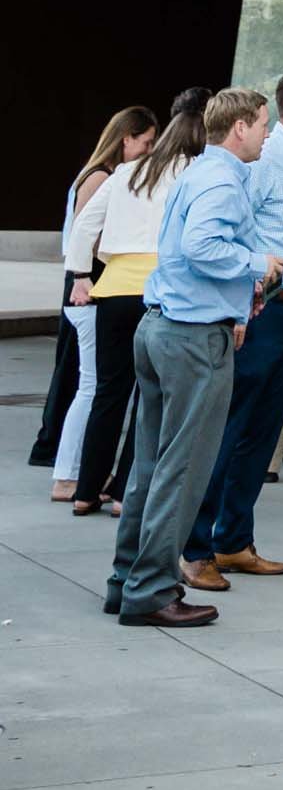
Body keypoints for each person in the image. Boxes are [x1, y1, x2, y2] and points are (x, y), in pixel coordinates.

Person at [105, 87, 279, 630]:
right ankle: (152, 590)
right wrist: (259, 263)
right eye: (262, 124)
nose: (267, 134)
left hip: (162, 327)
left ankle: (127, 582)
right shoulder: (223, 180)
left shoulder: (199, 172)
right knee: (182, 470)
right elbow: (204, 247)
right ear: (240, 128)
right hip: (192, 338)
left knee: (150, 467)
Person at [180, 64, 283, 588]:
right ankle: (196, 547)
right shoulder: (264, 160)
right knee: (231, 429)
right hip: (262, 309)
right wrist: (245, 305)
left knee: (262, 433)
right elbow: (234, 235)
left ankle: (234, 542)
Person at [62, 101, 179, 516]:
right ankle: (121, 493)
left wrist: (80, 274)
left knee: (108, 394)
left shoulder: (122, 175)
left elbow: (84, 226)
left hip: (112, 289)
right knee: (148, 395)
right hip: (157, 291)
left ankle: (85, 491)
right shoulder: (182, 174)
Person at [47, 108, 157, 505]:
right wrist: (83, 276)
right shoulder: (104, 178)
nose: (148, 152)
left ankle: (81, 481)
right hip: (94, 288)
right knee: (94, 387)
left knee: (97, 387)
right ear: (126, 138)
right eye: (145, 143)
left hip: (97, 289)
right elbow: (84, 232)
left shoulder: (101, 176)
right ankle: (70, 477)